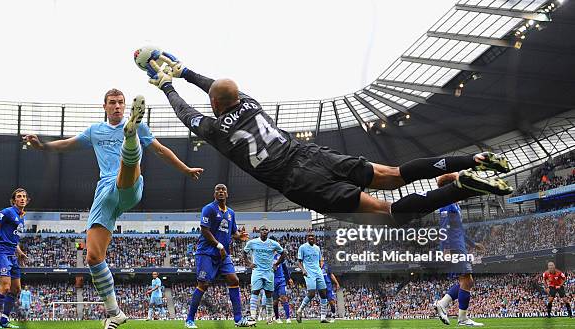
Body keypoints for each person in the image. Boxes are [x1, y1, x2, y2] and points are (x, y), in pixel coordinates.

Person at [141, 51, 513, 226]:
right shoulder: (250, 102)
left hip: (298, 180)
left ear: (214, 105)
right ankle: (473, 162)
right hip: (310, 153)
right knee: (395, 174)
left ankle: (463, 187)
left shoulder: (215, 129)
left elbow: (186, 114)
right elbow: (217, 87)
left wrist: (167, 86)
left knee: (389, 215)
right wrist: (186, 70)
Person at [23, 90, 203, 329]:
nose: (117, 106)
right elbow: (67, 144)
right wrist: (41, 146)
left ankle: (130, 140)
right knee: (93, 257)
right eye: (113, 103)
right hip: (104, 194)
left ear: (125, 107)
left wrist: (185, 169)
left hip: (129, 185)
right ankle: (114, 313)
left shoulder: (142, 127)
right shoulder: (95, 131)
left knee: (126, 168)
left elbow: (161, 150)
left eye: (121, 103)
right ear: (105, 106)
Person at [185, 184, 253, 329]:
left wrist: (239, 236)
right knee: (203, 284)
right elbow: (205, 230)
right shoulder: (209, 209)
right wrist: (219, 245)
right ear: (214, 193)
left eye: (223, 190)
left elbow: (233, 232)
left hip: (223, 255)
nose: (221, 192)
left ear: (227, 194)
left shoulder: (231, 213)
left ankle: (238, 319)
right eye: (218, 190)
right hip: (207, 253)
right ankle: (189, 319)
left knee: (234, 279)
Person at [433, 173, 484, 327]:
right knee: (467, 280)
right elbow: (444, 228)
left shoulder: (454, 204)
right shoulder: (447, 204)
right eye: (456, 184)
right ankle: (462, 318)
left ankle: (443, 304)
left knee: (466, 281)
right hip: (454, 247)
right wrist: (446, 249)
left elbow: (459, 230)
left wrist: (473, 244)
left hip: (459, 246)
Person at [0, 188, 30, 329]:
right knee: (5, 286)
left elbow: (13, 238)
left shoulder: (21, 216)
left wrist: (19, 252)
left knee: (16, 289)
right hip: (1, 253)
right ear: (14, 200)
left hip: (12, 254)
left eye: (24, 197)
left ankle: (4, 321)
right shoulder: (7, 211)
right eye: (19, 196)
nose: (22, 199)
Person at [243, 225, 285, 325]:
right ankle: (253, 317)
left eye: (266, 230)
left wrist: (276, 264)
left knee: (269, 294)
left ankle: (269, 318)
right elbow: (244, 253)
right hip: (257, 271)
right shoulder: (252, 242)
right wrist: (249, 263)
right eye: (263, 230)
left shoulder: (273, 243)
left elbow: (283, 253)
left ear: (268, 232)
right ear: (259, 231)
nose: (264, 231)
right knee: (255, 292)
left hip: (269, 272)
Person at [296, 232, 329, 323]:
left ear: (315, 238)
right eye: (309, 236)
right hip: (309, 273)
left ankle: (323, 317)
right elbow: (298, 262)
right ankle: (299, 310)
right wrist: (303, 270)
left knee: (323, 293)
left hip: (318, 272)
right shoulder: (302, 247)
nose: (311, 237)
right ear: (307, 238)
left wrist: (321, 265)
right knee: (311, 293)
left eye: (312, 236)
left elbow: (320, 260)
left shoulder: (317, 248)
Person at [273, 250, 294, 324]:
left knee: (284, 298)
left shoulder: (280, 256)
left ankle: (288, 318)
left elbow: (285, 268)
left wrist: (289, 278)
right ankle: (277, 318)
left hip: (281, 280)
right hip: (272, 280)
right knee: (275, 301)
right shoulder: (267, 256)